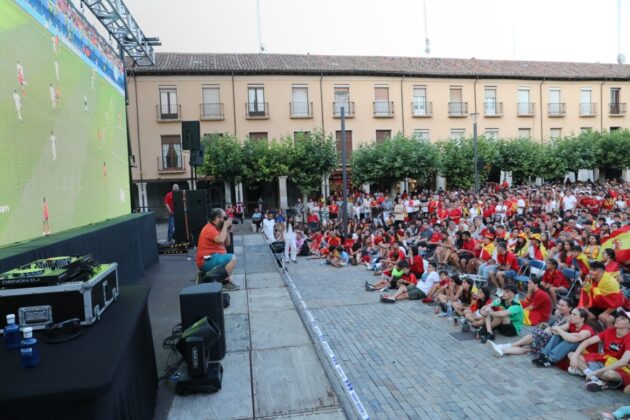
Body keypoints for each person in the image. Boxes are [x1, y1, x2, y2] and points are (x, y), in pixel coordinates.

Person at [568, 308, 630, 394]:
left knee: (608, 375)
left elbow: (623, 362)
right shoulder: (609, 331)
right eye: (618, 317)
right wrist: (574, 357)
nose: (618, 319)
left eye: (622, 319)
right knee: (571, 354)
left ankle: (590, 373)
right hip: (602, 359)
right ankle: (592, 376)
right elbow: (587, 341)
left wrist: (599, 371)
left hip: (617, 367)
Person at [489, 297, 574, 358]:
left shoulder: (569, 319)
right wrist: (547, 326)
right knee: (527, 348)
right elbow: (550, 326)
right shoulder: (560, 315)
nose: (559, 307)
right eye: (558, 304)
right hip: (546, 337)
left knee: (532, 338)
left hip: (552, 341)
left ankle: (505, 346)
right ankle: (503, 350)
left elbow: (557, 330)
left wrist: (548, 328)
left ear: (570, 308)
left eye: (562, 306)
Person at [531, 307, 596, 368]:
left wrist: (560, 330)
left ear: (582, 319)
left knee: (571, 342)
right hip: (574, 348)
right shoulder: (571, 324)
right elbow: (554, 330)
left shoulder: (587, 330)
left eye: (574, 314)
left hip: (585, 353)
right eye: (571, 313)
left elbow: (571, 339)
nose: (571, 316)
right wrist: (562, 332)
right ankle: (544, 355)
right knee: (558, 335)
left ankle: (551, 360)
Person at [196, 208, 239, 291]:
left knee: (230, 276)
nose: (225, 220)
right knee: (232, 258)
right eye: (224, 218)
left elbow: (227, 243)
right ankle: (222, 283)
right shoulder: (209, 229)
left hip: (213, 257)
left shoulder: (217, 228)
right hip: (206, 260)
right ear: (217, 218)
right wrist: (225, 226)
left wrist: (227, 229)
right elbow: (220, 240)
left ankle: (210, 277)